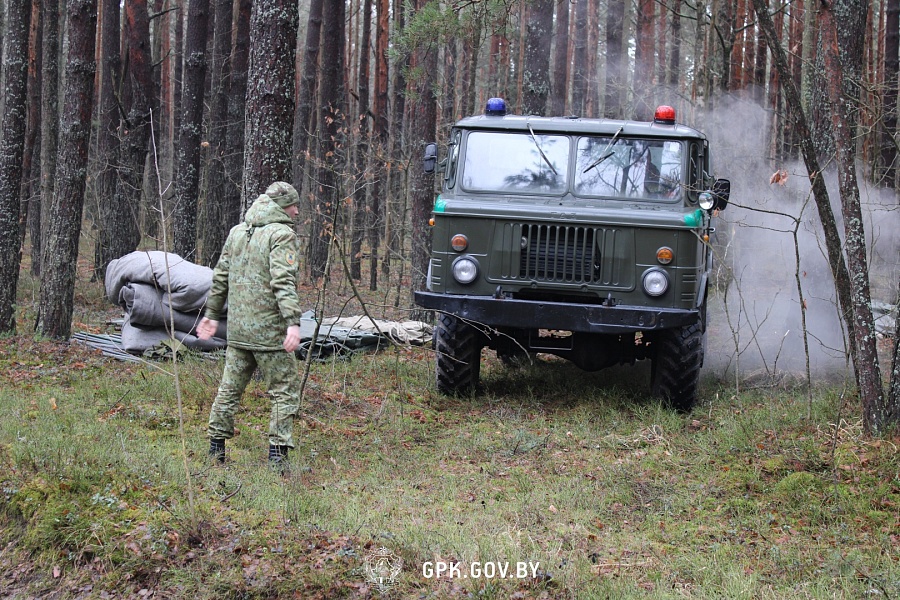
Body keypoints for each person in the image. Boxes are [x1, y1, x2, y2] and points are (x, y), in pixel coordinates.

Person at [197, 181, 304, 470]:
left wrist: (211, 314)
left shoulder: (237, 233)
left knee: (229, 389)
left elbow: (220, 278)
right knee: (284, 390)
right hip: (270, 334)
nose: (296, 211)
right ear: (282, 206)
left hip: (239, 331)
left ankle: (215, 450)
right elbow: (283, 281)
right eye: (294, 205)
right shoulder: (282, 235)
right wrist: (292, 323)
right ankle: (278, 459)